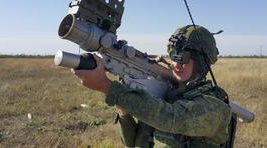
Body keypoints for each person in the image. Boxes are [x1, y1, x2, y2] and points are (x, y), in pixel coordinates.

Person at [72, 25, 234, 147]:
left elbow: (170, 118)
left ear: (201, 62)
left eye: (183, 57)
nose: (177, 64)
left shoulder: (214, 107)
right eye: (173, 56)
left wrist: (106, 86)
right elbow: (131, 142)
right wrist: (124, 111)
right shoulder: (166, 93)